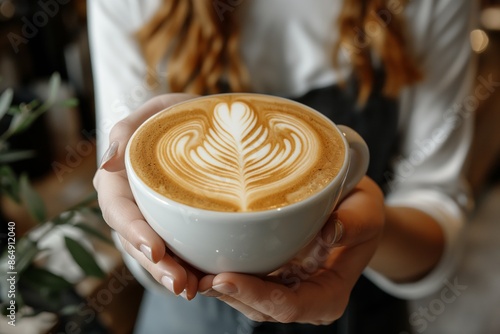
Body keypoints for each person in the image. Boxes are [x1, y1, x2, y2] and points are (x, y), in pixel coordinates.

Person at [88, 0, 477, 333]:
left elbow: (437, 214)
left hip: (358, 310)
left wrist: (369, 229)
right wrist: (133, 226)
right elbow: (129, 197)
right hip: (188, 317)